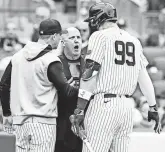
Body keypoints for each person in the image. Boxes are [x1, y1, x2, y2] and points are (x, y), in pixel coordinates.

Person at [69, 2, 162, 152]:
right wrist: (153, 107)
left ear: (100, 18)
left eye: (93, 19)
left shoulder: (99, 36)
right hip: (126, 107)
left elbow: (89, 74)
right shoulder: (134, 41)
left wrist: (79, 109)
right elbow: (144, 78)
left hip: (104, 105)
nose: (92, 23)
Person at [0, 19, 78, 152]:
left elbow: (3, 85)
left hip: (20, 123)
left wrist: (7, 113)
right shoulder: (51, 59)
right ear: (54, 36)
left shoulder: (17, 56)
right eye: (59, 36)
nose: (60, 40)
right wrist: (85, 89)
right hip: (43, 123)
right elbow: (67, 92)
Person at [55, 27, 84, 152]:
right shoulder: (56, 63)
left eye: (78, 37)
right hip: (61, 120)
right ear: (63, 42)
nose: (76, 41)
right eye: (72, 38)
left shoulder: (88, 63)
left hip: (83, 120)